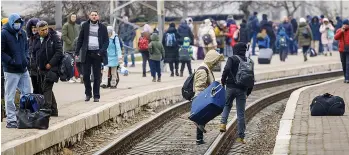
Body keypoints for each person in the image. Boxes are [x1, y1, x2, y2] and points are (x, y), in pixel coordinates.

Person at [220, 42, 254, 144]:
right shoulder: (249, 61)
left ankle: (222, 124)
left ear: (235, 49)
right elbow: (251, 78)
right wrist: (248, 92)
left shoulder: (232, 58)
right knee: (240, 113)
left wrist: (223, 80)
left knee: (227, 105)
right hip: (242, 90)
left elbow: (226, 69)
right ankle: (241, 137)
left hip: (230, 87)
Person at [1, 13, 32, 128]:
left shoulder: (22, 33)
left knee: (27, 94)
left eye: (20, 23)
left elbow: (26, 48)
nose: (18, 25)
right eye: (16, 23)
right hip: (11, 70)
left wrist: (26, 59)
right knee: (10, 95)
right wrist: (11, 61)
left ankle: (25, 118)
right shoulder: (3, 34)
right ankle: (11, 120)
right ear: (11, 22)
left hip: (23, 69)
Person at [75, 11, 109, 102]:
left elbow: (106, 41)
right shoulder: (85, 26)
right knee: (86, 75)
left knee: (97, 76)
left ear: (98, 16)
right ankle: (88, 94)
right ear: (89, 16)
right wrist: (77, 51)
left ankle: (96, 96)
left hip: (97, 54)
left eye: (95, 15)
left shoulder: (102, 27)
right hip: (87, 53)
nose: (94, 16)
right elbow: (80, 39)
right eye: (92, 15)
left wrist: (101, 52)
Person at [32, 21, 63, 116]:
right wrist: (37, 64)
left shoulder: (54, 37)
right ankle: (54, 110)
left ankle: (47, 110)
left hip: (52, 68)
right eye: (42, 30)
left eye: (46, 29)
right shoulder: (36, 39)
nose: (45, 31)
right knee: (46, 88)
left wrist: (50, 63)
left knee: (46, 87)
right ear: (38, 30)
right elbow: (34, 52)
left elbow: (59, 52)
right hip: (41, 68)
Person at [193, 50, 224, 145]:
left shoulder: (207, 68)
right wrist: (199, 101)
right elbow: (199, 86)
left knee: (202, 118)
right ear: (212, 60)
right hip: (202, 97)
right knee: (201, 117)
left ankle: (199, 138)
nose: (217, 63)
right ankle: (199, 138)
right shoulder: (203, 70)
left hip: (205, 97)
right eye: (216, 61)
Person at [62, 13, 81, 83]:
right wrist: (70, 43)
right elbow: (63, 36)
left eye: (75, 17)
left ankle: (76, 76)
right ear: (69, 17)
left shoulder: (77, 26)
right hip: (68, 48)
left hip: (76, 49)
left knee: (76, 64)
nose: (73, 18)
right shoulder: (66, 25)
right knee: (70, 63)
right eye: (72, 17)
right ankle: (70, 77)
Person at [26, 18, 41, 94]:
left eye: (35, 27)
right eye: (32, 28)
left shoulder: (41, 39)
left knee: (42, 88)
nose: (34, 29)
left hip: (40, 68)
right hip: (32, 69)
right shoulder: (29, 40)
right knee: (35, 88)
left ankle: (47, 105)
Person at [334, 19, 349, 83]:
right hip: (342, 50)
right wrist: (341, 32)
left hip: (348, 50)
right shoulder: (339, 30)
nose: (345, 25)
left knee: (348, 64)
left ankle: (347, 78)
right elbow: (336, 38)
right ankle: (345, 77)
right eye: (344, 24)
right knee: (344, 64)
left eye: (346, 24)